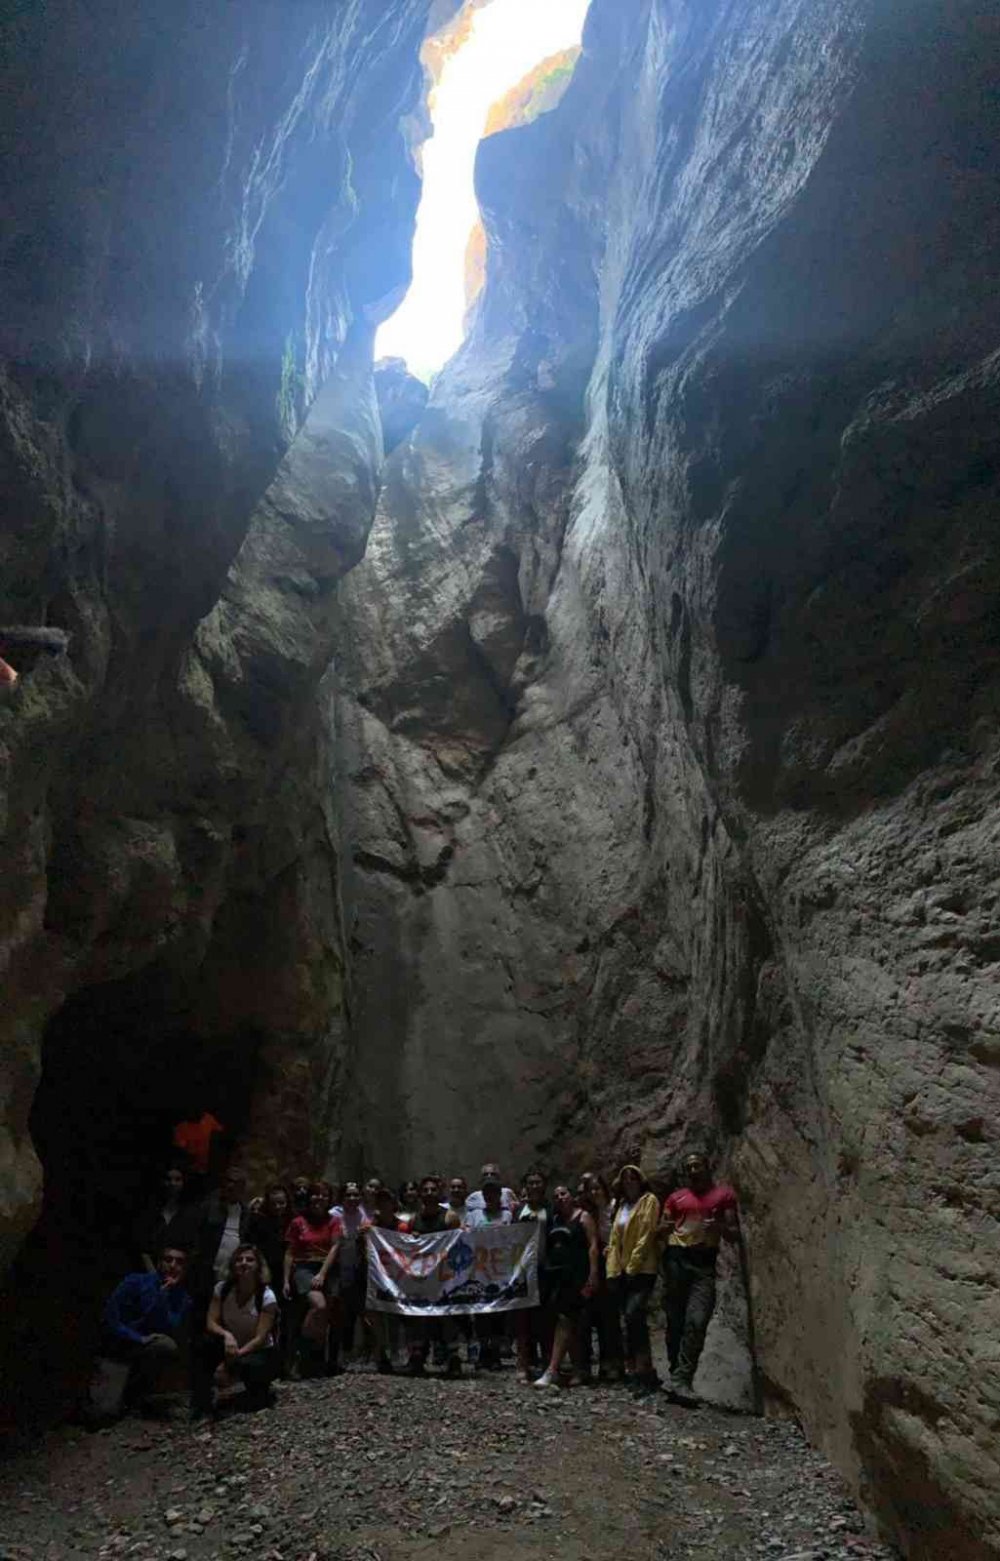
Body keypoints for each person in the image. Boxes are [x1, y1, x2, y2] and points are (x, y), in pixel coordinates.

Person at [661, 1151, 739, 1403]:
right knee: (675, 1319)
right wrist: (662, 1229)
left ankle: (682, 1378)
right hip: (676, 1260)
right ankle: (676, 1375)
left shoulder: (723, 1195)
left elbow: (734, 1233)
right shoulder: (676, 1198)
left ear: (707, 1167)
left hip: (704, 1263)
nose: (694, 1170)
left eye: (697, 1165)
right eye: (689, 1167)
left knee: (697, 1319)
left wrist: (719, 1228)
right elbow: (663, 1227)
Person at [86, 1245, 192, 1424]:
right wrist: (137, 1337)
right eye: (168, 1260)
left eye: (179, 1262)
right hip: (117, 1348)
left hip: (144, 1351)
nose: (173, 1265)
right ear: (159, 1262)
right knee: (101, 1415)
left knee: (166, 1345)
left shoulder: (182, 1298)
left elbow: (169, 1327)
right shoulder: (135, 1282)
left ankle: (135, 1394)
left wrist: (163, 1298)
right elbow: (110, 1317)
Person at [192, 1244, 279, 1418]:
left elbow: (260, 1338)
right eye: (239, 1260)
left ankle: (249, 1392)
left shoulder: (267, 1296)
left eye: (249, 1260)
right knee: (202, 1345)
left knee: (253, 1371)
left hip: (256, 1350)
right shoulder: (222, 1289)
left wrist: (232, 1360)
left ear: (258, 1266)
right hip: (230, 1344)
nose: (244, 1263)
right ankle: (202, 1401)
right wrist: (226, 1335)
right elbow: (211, 1321)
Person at [605, 1164, 661, 1397]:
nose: (629, 1182)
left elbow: (646, 1234)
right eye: (625, 1179)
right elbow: (614, 1240)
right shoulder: (621, 1206)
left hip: (643, 1269)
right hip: (623, 1271)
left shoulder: (649, 1201)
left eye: (633, 1178)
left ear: (640, 1180)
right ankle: (642, 1371)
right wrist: (613, 1270)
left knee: (633, 1314)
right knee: (631, 1320)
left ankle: (643, 1371)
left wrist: (633, 1266)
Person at [534, 1185, 597, 1388]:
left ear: (571, 1197)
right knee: (570, 1324)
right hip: (558, 1277)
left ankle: (552, 1370)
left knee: (565, 1320)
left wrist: (593, 1275)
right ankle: (579, 1369)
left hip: (578, 1276)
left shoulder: (583, 1217)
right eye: (556, 1195)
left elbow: (593, 1246)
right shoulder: (555, 1220)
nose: (560, 1198)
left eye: (564, 1194)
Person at [283, 1182, 342, 1377]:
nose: (320, 1199)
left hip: (328, 1268)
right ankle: (301, 1349)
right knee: (319, 1305)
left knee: (326, 1317)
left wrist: (323, 1273)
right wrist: (285, 1280)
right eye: (316, 1195)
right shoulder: (298, 1222)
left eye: (324, 1195)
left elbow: (335, 1247)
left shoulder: (333, 1221)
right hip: (304, 1267)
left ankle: (315, 1360)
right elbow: (290, 1252)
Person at [405, 1177, 462, 1377]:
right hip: (422, 1275)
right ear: (421, 1194)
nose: (429, 1193)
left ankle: (454, 1358)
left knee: (447, 1316)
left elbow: (460, 1243)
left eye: (433, 1190)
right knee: (420, 1316)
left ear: (439, 1193)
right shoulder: (414, 1219)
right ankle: (418, 1356)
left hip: (445, 1276)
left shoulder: (449, 1217)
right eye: (425, 1190)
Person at [577, 1171, 623, 1382]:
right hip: (594, 1262)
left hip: (614, 1261)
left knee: (610, 1316)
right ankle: (596, 1363)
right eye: (591, 1189)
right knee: (593, 1315)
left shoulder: (615, 1207)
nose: (595, 1192)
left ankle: (613, 1363)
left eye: (598, 1188)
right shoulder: (588, 1212)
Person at [464, 1170, 512, 1370]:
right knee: (481, 1313)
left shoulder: (508, 1214)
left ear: (499, 1194)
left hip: (501, 1272)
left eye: (494, 1191)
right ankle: (484, 1352)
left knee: (499, 1314)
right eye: (487, 1192)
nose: (490, 1195)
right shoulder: (474, 1215)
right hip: (480, 1271)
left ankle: (496, 1353)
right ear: (483, 1195)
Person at [247, 1184, 293, 1372]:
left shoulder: (291, 1221)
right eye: (274, 1204)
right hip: (266, 1273)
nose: (278, 1207)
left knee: (287, 1318)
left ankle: (284, 1363)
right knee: (266, 1316)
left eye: (282, 1203)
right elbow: (254, 1246)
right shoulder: (259, 1221)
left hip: (287, 1274)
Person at [514, 1169, 551, 1383]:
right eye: (530, 1182)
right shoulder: (518, 1209)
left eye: (538, 1182)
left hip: (544, 1270)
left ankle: (547, 1364)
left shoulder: (551, 1209)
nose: (534, 1186)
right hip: (522, 1271)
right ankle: (523, 1364)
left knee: (545, 1320)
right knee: (522, 1321)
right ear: (525, 1186)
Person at [330, 1180, 371, 1364]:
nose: (353, 1198)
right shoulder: (334, 1214)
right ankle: (340, 1353)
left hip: (357, 1265)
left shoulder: (362, 1213)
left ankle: (364, 1351)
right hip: (338, 1267)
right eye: (349, 1195)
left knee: (359, 1309)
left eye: (356, 1195)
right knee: (341, 1311)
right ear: (342, 1197)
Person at [133, 1165, 199, 1273]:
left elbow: (192, 1250)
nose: (172, 1184)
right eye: (168, 1179)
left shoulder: (191, 1213)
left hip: (177, 1275)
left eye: (177, 1180)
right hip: (147, 1273)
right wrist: (152, 1277)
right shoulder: (150, 1210)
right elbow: (143, 1247)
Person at [366, 1187, 401, 1373]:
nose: (384, 1204)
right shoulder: (370, 1225)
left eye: (387, 1200)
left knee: (396, 1315)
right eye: (380, 1201)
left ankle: (399, 1352)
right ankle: (381, 1354)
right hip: (377, 1276)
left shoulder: (403, 1226)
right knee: (376, 1315)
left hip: (399, 1278)